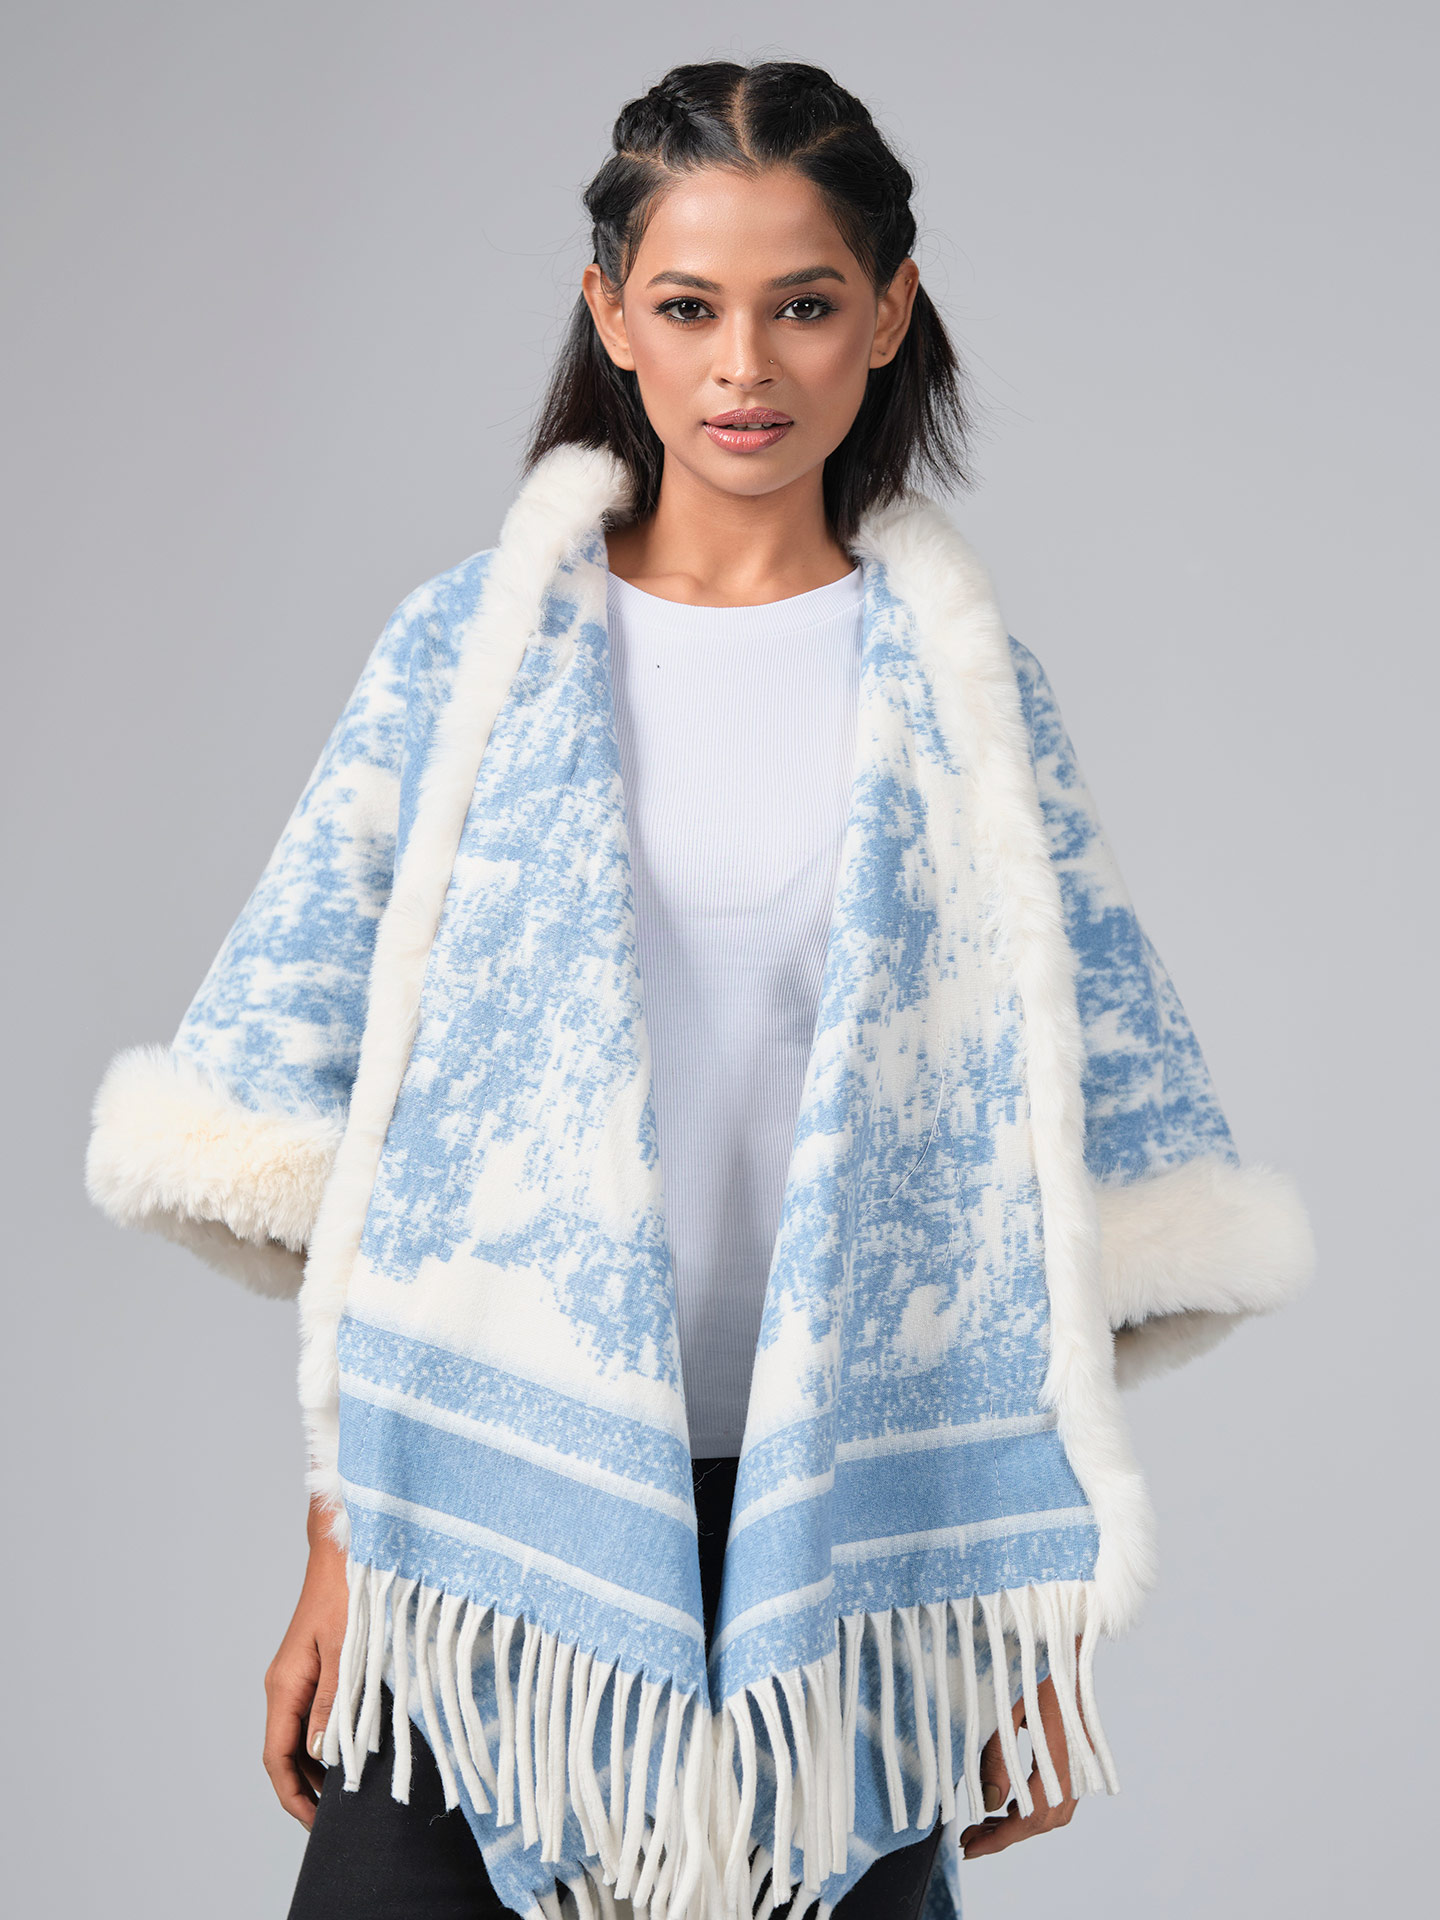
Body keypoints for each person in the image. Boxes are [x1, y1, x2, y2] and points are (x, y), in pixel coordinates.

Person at [86, 58, 1313, 1920]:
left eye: (804, 304)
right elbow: (371, 1159)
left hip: (849, 1541)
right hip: (484, 1525)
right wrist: (342, 1543)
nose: (746, 366)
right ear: (611, 318)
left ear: (888, 313)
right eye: (688, 307)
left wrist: (1015, 1609)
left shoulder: (960, 699)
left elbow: (1042, 1192)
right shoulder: (471, 658)